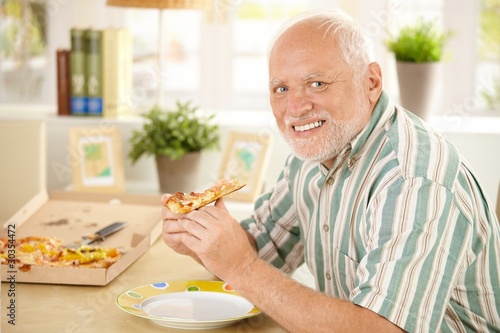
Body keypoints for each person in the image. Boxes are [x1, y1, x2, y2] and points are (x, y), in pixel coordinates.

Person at [161, 9, 500, 333]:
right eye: (281, 89)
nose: (295, 108)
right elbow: (263, 250)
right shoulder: (316, 151)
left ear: (371, 82)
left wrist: (240, 268)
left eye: (317, 83)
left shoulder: (415, 179)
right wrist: (200, 240)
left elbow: (382, 329)